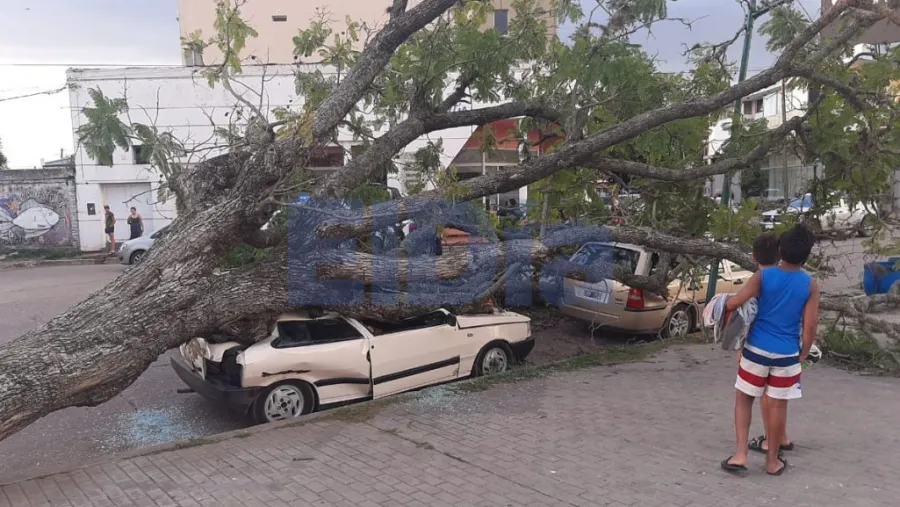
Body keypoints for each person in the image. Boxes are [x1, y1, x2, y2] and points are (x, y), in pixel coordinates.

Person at [721, 224, 819, 476]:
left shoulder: (763, 277)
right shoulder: (810, 285)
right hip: (787, 355)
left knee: (744, 399)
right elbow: (810, 324)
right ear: (806, 256)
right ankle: (772, 461)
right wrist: (804, 352)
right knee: (776, 406)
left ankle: (741, 454)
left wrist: (723, 304)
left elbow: (735, 302)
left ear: (780, 251)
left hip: (756, 350)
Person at [739, 233, 798, 456]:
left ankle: (770, 442)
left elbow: (748, 316)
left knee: (765, 396)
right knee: (780, 398)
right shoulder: (793, 278)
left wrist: (741, 346)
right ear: (779, 255)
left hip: (761, 347)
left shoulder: (760, 279)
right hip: (789, 348)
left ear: (754, 257)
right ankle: (781, 436)